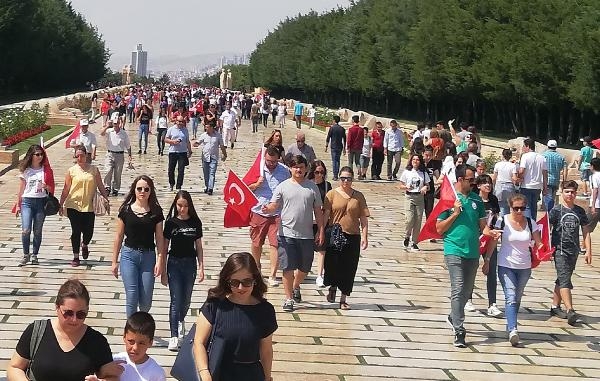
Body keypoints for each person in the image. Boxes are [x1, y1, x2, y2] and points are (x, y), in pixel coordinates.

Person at [7, 279, 124, 381]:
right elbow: (15, 367)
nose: (74, 320)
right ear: (57, 307)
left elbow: (112, 377)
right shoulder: (36, 331)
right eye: (68, 313)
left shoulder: (97, 341)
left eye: (81, 314)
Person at [192, 252, 277, 381]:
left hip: (251, 375)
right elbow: (199, 342)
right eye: (235, 282)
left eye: (247, 282)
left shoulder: (265, 311)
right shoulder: (214, 305)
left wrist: (267, 377)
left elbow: (265, 350)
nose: (240, 287)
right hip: (218, 372)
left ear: (255, 280)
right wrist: (205, 373)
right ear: (227, 281)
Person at [262, 155, 324, 312]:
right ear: (290, 168)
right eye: (295, 167)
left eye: (301, 167)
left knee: (304, 268)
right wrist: (267, 209)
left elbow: (318, 210)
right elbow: (274, 205)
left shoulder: (312, 187)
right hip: (286, 234)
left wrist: (321, 230)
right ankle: (288, 298)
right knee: (288, 268)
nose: (298, 170)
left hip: (307, 235)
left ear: (305, 168)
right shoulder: (283, 186)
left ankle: (296, 285)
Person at [436, 164, 486, 348]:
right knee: (457, 288)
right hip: (453, 249)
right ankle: (459, 329)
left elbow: (483, 227)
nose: (473, 183)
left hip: (472, 251)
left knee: (467, 291)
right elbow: (439, 228)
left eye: (474, 179)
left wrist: (493, 233)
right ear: (460, 180)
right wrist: (455, 214)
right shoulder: (448, 199)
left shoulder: (477, 200)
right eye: (470, 180)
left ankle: (453, 316)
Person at [484, 194, 543, 346]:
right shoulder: (502, 221)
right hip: (506, 265)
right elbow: (493, 241)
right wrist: (487, 260)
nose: (519, 211)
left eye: (522, 208)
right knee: (510, 297)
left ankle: (510, 323)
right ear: (510, 207)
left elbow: (539, 243)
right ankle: (513, 330)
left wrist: (544, 249)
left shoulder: (531, 223)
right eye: (516, 208)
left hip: (524, 266)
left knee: (516, 298)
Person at [111, 175, 165, 317]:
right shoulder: (126, 210)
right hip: (129, 255)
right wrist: (114, 261)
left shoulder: (156, 212)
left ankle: (141, 321)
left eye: (146, 189)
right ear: (134, 190)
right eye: (139, 188)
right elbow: (118, 236)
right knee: (132, 294)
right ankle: (132, 330)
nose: (142, 192)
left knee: (146, 301)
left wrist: (160, 260)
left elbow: (159, 238)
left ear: (150, 191)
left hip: (148, 256)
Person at [162, 191, 205, 351]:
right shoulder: (171, 223)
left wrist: (201, 267)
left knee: (186, 300)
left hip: (190, 264)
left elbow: (199, 247)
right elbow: (165, 247)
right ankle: (173, 336)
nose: (182, 209)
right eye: (180, 205)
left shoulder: (195, 222)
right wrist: (164, 270)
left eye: (185, 206)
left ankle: (181, 320)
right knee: (175, 300)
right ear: (175, 205)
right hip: (174, 263)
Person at [323, 166, 369, 309]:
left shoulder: (359, 196)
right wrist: (321, 232)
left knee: (349, 268)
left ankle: (343, 298)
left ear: (352, 179)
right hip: (335, 234)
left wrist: (365, 236)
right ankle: (333, 286)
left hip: (352, 235)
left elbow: (363, 218)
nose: (345, 181)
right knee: (332, 265)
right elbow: (325, 215)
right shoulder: (331, 194)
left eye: (348, 178)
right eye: (343, 178)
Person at [549, 181, 592, 326]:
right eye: (567, 192)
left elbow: (586, 232)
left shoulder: (580, 211)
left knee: (562, 278)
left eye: (573, 192)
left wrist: (588, 251)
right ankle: (570, 310)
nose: (570, 195)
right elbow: (546, 229)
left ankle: (555, 306)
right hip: (559, 250)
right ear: (562, 193)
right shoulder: (556, 211)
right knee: (565, 278)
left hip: (574, 251)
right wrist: (545, 249)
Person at [59, 145, 109, 267]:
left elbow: (100, 185)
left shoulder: (94, 170)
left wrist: (106, 200)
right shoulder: (71, 171)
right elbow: (66, 189)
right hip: (73, 205)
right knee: (75, 231)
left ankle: (85, 244)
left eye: (82, 155)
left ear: (87, 155)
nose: (80, 158)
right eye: (78, 156)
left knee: (89, 231)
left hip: (89, 206)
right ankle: (76, 256)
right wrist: (60, 204)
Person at [247, 146, 290, 286]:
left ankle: (272, 274)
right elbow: (244, 187)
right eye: (268, 161)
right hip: (259, 210)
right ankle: (256, 269)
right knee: (256, 242)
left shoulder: (284, 171)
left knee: (275, 244)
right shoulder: (257, 169)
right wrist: (256, 184)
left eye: (274, 161)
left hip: (277, 213)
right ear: (264, 158)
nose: (271, 164)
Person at [464, 174, 502, 316]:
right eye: (485, 183)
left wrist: (497, 229)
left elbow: (497, 217)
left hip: (490, 238)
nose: (488, 185)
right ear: (478, 185)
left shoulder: (493, 199)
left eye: (490, 183)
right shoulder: (473, 199)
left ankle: (492, 303)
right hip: (475, 237)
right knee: (471, 269)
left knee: (491, 269)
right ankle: (467, 299)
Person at [14, 145, 55, 266]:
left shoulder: (45, 170)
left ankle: (34, 255)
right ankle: (26, 254)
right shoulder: (26, 170)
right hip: (27, 202)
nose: (40, 157)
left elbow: (51, 188)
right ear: (31, 156)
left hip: (40, 202)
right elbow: (21, 189)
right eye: (37, 154)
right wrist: (18, 204)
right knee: (26, 230)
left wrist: (46, 186)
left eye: (41, 154)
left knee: (37, 231)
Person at [112, 312, 166, 381]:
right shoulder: (115, 361)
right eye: (131, 341)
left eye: (141, 343)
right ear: (124, 337)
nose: (135, 348)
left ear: (150, 343)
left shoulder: (157, 373)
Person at [308, 160, 331, 288]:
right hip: (307, 221)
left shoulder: (327, 186)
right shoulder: (307, 185)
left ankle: (319, 275)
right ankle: (303, 270)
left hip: (322, 220)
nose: (319, 175)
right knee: (306, 248)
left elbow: (328, 206)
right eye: (317, 172)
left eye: (322, 172)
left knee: (322, 249)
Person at [399, 154, 430, 251]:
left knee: (418, 220)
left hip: (419, 197)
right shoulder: (407, 172)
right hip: (409, 197)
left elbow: (428, 185)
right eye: (414, 159)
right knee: (409, 219)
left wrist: (425, 187)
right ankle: (407, 235)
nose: (415, 161)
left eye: (417, 160)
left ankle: (414, 242)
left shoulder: (424, 173)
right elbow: (400, 185)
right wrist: (406, 187)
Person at [194, 121, 227, 195]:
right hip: (205, 157)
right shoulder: (203, 135)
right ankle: (207, 186)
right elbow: (198, 142)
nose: (206, 128)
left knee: (212, 173)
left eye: (208, 127)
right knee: (206, 173)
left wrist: (225, 154)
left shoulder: (218, 136)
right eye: (205, 127)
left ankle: (210, 188)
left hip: (214, 157)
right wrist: (195, 144)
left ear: (212, 128)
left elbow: (222, 146)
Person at [101, 118, 133, 196]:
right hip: (110, 154)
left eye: (117, 123)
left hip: (120, 155)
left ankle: (115, 188)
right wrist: (107, 126)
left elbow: (128, 145)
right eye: (114, 124)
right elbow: (101, 133)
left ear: (119, 123)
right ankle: (107, 187)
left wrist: (129, 155)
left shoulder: (123, 133)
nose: (115, 125)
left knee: (118, 173)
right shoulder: (109, 131)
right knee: (108, 170)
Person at [518, 138, 548, 219]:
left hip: (526, 185)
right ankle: (533, 225)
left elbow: (521, 171)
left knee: (527, 207)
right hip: (537, 187)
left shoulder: (525, 156)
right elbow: (545, 174)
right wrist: (545, 188)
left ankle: (528, 225)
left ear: (528, 146)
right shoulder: (542, 158)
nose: (523, 148)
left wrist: (519, 178)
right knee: (534, 207)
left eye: (524, 146)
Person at [165, 116, 192, 192]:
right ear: (176, 121)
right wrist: (172, 142)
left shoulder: (185, 130)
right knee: (171, 170)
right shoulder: (171, 129)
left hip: (182, 152)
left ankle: (178, 186)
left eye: (182, 121)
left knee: (181, 170)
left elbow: (187, 141)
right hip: (173, 152)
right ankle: (171, 184)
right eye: (179, 121)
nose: (180, 123)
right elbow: (165, 139)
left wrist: (189, 151)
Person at [541, 139, 566, 211]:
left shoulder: (543, 155)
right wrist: (564, 181)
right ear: (556, 147)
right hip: (556, 180)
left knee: (547, 200)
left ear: (547, 146)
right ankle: (551, 213)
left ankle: (548, 216)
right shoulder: (561, 157)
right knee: (552, 198)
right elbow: (564, 170)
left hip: (546, 180)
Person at [492, 148, 518, 216]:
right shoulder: (512, 165)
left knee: (500, 205)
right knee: (508, 205)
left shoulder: (497, 164)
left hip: (499, 185)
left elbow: (494, 178)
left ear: (503, 155)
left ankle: (502, 220)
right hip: (509, 185)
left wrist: (493, 186)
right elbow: (514, 178)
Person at [325, 115, 346, 181]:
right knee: (338, 160)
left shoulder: (332, 128)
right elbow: (344, 139)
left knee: (334, 161)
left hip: (333, 146)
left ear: (334, 120)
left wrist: (326, 146)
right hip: (340, 146)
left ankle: (335, 175)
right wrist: (344, 148)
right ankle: (337, 173)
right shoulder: (342, 129)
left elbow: (328, 137)